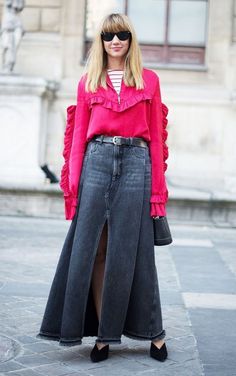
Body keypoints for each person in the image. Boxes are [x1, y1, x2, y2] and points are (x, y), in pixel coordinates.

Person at [37, 13, 170, 363]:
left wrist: (158, 192)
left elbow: (155, 138)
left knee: (134, 250)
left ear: (130, 39)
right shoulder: (88, 83)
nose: (116, 41)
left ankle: (154, 333)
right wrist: (73, 186)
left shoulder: (150, 80)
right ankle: (103, 336)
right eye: (109, 36)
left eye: (122, 35)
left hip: (136, 163)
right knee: (93, 249)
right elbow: (79, 136)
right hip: (96, 162)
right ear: (101, 41)